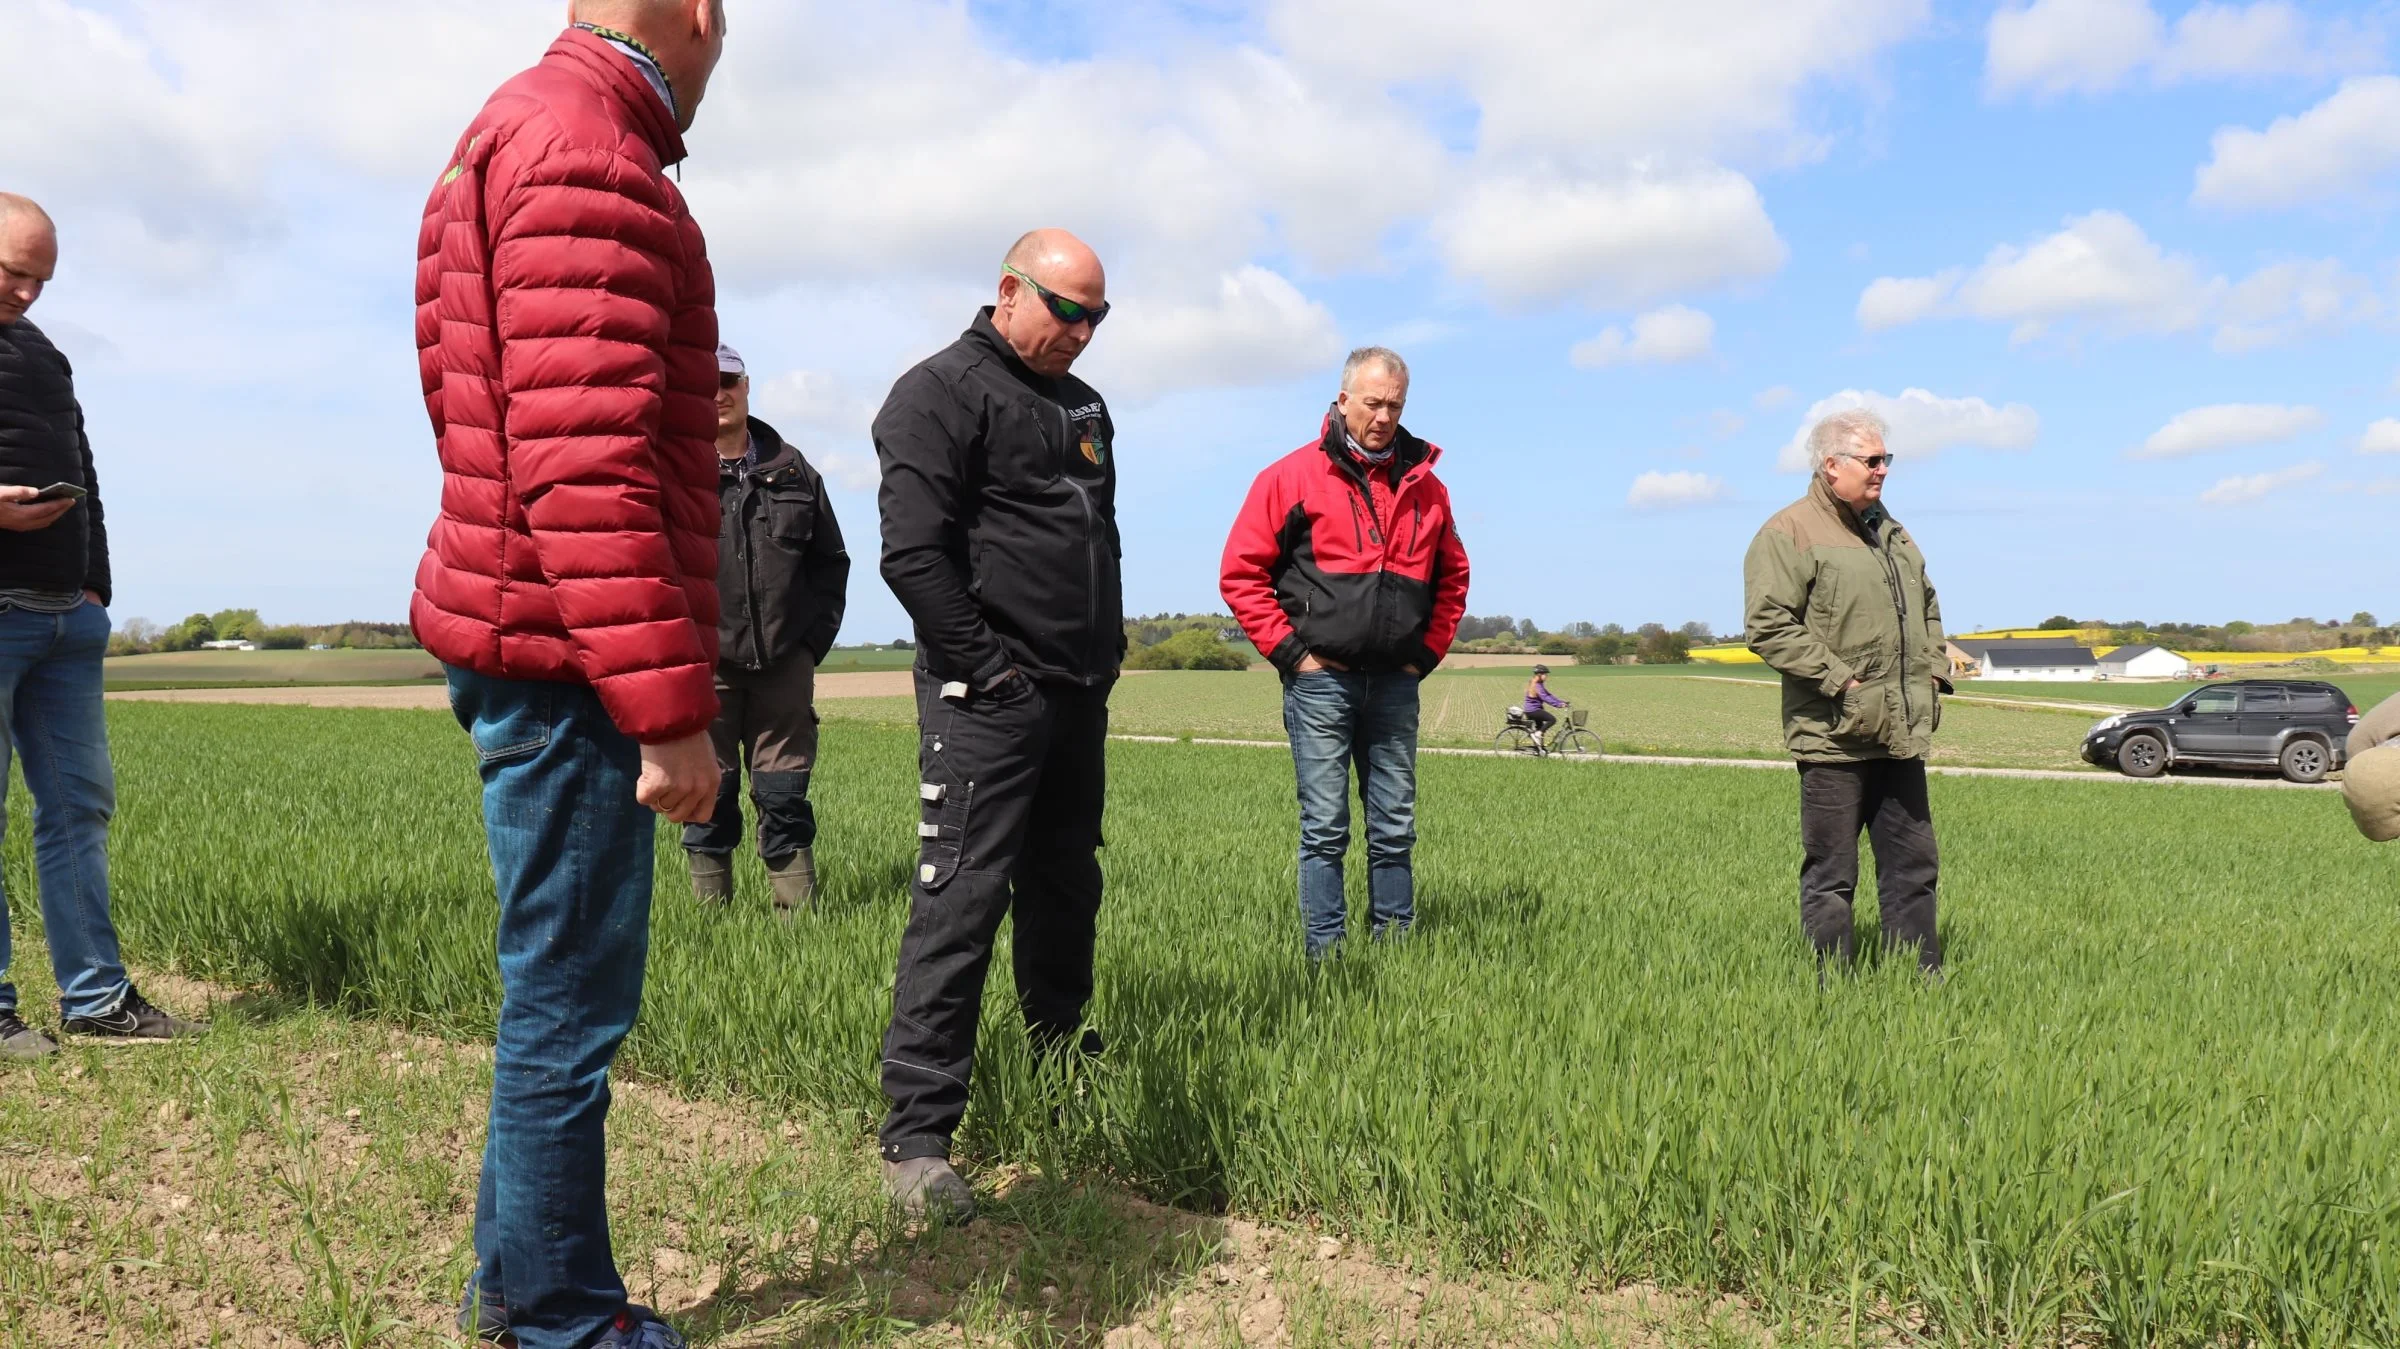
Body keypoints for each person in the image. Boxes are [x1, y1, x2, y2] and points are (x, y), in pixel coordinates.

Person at [410, 4, 729, 1347]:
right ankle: (561, 1318)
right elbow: (583, 472)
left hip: (531, 630)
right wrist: (667, 713)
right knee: (567, 1002)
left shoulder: (513, 130)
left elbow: (476, 403)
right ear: (696, 14)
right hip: (569, 662)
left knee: (550, 986)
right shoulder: (590, 154)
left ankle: (516, 1288)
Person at [871, 228, 1123, 1223]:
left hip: (1078, 694)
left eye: (1098, 317)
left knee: (1066, 890)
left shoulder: (1084, 404)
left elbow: (1094, 534)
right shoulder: (935, 393)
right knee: (960, 898)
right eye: (1068, 311)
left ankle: (1064, 1074)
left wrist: (1099, 665)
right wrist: (994, 673)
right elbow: (914, 558)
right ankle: (919, 1139)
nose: (1084, 333)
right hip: (990, 700)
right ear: (1009, 292)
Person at [0, 193, 206, 1058]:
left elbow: (84, 465)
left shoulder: (45, 354)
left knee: (79, 808)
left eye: (41, 280)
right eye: (14, 273)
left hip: (63, 620)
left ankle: (95, 1000)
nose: (28, 294)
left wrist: (96, 589)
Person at [1220, 347, 1470, 962]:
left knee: (1393, 828)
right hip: (1321, 683)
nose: (1384, 416)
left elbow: (1453, 580)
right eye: (1373, 402)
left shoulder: (1428, 488)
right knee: (1325, 829)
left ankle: (1395, 953)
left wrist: (1423, 658)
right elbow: (1241, 573)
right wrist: (1293, 657)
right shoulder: (1290, 477)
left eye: (1395, 405)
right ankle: (1325, 958)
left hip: (1393, 685)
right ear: (1342, 401)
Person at [1743, 408, 1948, 976]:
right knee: (1833, 873)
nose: (1883, 469)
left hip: (1900, 730)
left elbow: (1926, 607)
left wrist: (1933, 669)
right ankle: (1831, 986)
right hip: (1834, 731)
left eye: (1887, 459)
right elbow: (1768, 626)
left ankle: (1916, 981)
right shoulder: (1788, 533)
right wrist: (1844, 683)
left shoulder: (1892, 532)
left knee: (1914, 867)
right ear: (1831, 465)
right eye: (1871, 460)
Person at [683, 342, 849, 913]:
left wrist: (808, 645)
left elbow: (832, 563)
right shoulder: (676, 475)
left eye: (728, 381)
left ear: (747, 386)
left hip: (785, 666)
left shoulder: (795, 471)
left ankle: (795, 924)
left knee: (784, 794)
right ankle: (711, 927)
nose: (718, 393)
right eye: (706, 383)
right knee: (710, 791)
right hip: (707, 668)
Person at [1522, 664, 1568, 745]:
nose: (1546, 676)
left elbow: (1548, 695)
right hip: (1533, 711)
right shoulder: (1537, 686)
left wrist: (1560, 702)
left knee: (1540, 728)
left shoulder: (1538, 684)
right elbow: (1545, 697)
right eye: (1545, 674)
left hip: (1532, 710)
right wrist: (1558, 705)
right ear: (1540, 675)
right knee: (1552, 720)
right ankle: (1537, 734)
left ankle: (1539, 749)